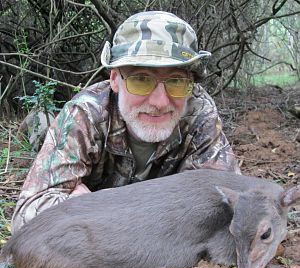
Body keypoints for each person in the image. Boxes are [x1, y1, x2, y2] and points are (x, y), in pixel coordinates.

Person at [11, 11, 241, 232]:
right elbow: (26, 217)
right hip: (65, 141)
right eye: (141, 80)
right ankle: (39, 122)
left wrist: (92, 208)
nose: (160, 102)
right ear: (114, 80)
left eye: (176, 82)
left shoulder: (198, 112)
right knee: (40, 125)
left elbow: (230, 206)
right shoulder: (87, 113)